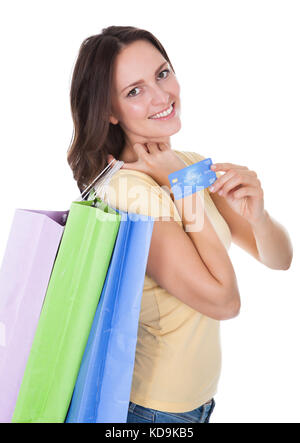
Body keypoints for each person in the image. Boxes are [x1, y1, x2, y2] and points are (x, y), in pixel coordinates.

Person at [67, 26, 293, 424]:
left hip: (195, 404)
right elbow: (225, 301)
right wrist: (184, 188)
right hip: (152, 411)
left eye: (162, 73)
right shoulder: (129, 193)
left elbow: (280, 258)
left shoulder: (185, 163)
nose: (161, 96)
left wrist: (257, 216)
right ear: (109, 111)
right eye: (134, 91)